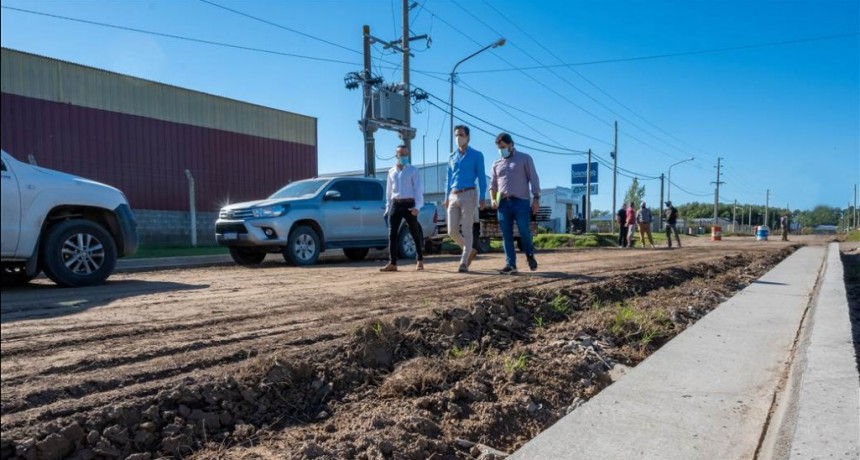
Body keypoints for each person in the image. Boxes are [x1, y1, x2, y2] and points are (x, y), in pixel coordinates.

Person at [489, 132, 541, 274]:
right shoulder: (496, 164)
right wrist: (493, 199)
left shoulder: (524, 158)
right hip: (503, 204)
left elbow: (533, 178)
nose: (501, 150)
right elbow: (493, 185)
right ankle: (511, 264)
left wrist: (536, 198)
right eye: (499, 148)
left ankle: (529, 254)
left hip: (521, 202)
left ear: (511, 145)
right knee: (506, 234)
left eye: (503, 147)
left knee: (524, 230)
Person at [445, 125, 487, 273]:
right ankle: (469, 249)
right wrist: (446, 196)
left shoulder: (477, 155)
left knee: (467, 228)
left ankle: (463, 261)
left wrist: (483, 196)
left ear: (468, 137)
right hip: (453, 194)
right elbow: (448, 178)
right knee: (452, 231)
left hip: (469, 193)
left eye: (461, 135)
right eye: (456, 135)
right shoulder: (451, 156)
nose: (458, 138)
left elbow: (482, 177)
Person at [379, 145, 425, 272]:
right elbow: (389, 192)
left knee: (414, 231)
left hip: (409, 204)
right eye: (401, 154)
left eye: (406, 154)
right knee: (392, 234)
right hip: (396, 204)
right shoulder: (391, 171)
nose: (403, 156)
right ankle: (392, 263)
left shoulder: (413, 171)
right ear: (396, 155)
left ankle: (420, 260)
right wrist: (388, 208)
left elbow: (418, 189)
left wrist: (417, 206)